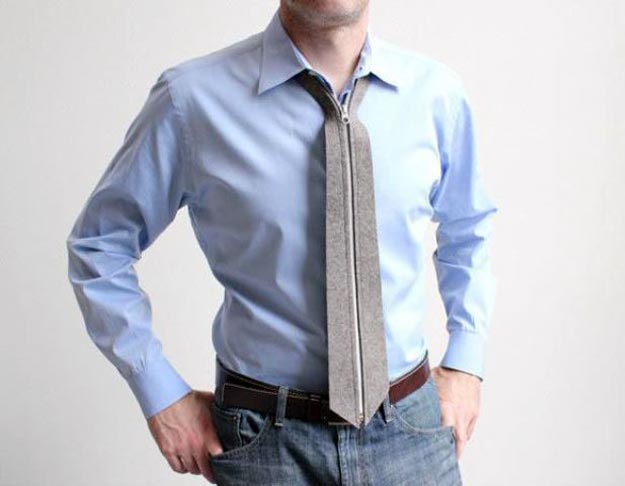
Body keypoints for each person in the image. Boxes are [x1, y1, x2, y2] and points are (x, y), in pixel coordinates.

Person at [66, 1, 497, 484]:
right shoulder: (191, 100)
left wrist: (466, 362)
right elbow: (98, 245)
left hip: (410, 436)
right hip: (264, 446)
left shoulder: (435, 95)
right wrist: (159, 392)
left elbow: (469, 229)